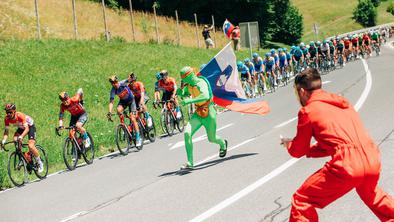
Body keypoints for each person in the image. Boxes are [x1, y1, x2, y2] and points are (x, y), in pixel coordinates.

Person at [280, 68, 394, 221]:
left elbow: (298, 150)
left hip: (348, 165)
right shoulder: (342, 103)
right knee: (372, 195)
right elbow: (337, 143)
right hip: (371, 158)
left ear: (301, 91)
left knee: (301, 200)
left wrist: (289, 145)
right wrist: (310, 151)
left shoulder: (308, 111)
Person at [176, 66, 227, 170]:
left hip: (209, 112)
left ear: (189, 76)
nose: (183, 80)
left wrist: (189, 101)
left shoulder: (200, 83)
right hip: (198, 113)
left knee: (212, 138)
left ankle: (223, 143)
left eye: (183, 78)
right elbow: (185, 94)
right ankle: (190, 162)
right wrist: (180, 92)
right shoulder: (189, 86)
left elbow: (205, 96)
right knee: (187, 133)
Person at [1, 103, 44, 173]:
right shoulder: (6, 119)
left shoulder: (20, 115)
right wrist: (4, 140)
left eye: (10, 112)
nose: (8, 114)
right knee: (15, 139)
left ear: (14, 111)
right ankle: (24, 157)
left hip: (30, 126)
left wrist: (21, 137)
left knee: (31, 145)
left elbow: (27, 129)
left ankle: (40, 163)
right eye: (7, 112)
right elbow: (6, 131)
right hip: (21, 127)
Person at [107, 75, 142, 147]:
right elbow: (111, 102)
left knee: (132, 118)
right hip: (123, 102)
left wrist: (131, 76)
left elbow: (129, 79)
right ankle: (124, 126)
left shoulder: (122, 83)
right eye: (112, 83)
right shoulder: (113, 90)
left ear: (117, 81)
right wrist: (109, 112)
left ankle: (138, 137)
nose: (114, 84)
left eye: (115, 82)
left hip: (131, 101)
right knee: (118, 110)